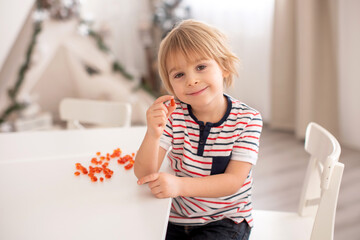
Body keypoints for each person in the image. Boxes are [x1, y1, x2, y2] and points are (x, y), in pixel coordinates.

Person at [134, 19, 262, 240]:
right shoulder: (174, 115)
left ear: (223, 66)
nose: (191, 80)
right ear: (170, 84)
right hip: (174, 218)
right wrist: (153, 134)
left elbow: (232, 181)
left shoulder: (248, 119)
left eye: (201, 67)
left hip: (226, 221)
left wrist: (179, 185)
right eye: (179, 75)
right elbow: (144, 174)